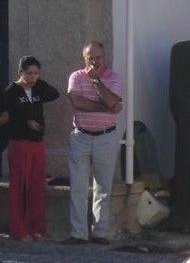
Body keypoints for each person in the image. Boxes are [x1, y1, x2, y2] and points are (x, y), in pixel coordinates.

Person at [65, 41, 123, 245]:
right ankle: (78, 234)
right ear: (85, 58)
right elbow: (76, 101)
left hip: (105, 137)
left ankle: (100, 233)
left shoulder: (114, 78)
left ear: (104, 58)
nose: (95, 61)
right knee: (78, 187)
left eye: (98, 57)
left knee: (103, 188)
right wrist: (107, 107)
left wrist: (97, 82)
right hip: (80, 136)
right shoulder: (76, 77)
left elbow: (114, 101)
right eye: (91, 57)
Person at [4, 56, 60, 242]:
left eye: (36, 73)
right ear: (20, 73)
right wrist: (26, 121)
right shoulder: (11, 92)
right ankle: (19, 229)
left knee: (36, 187)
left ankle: (37, 228)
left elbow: (55, 94)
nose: (33, 77)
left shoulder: (38, 88)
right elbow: (7, 116)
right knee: (20, 187)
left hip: (37, 142)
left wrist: (36, 82)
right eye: (29, 73)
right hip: (20, 142)